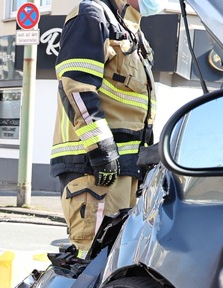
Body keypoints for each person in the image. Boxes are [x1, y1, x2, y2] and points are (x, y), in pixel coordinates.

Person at [51, 0, 159, 256]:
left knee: (115, 264)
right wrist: (102, 150)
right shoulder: (92, 15)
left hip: (125, 171)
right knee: (91, 262)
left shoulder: (133, 31)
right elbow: (76, 86)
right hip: (96, 170)